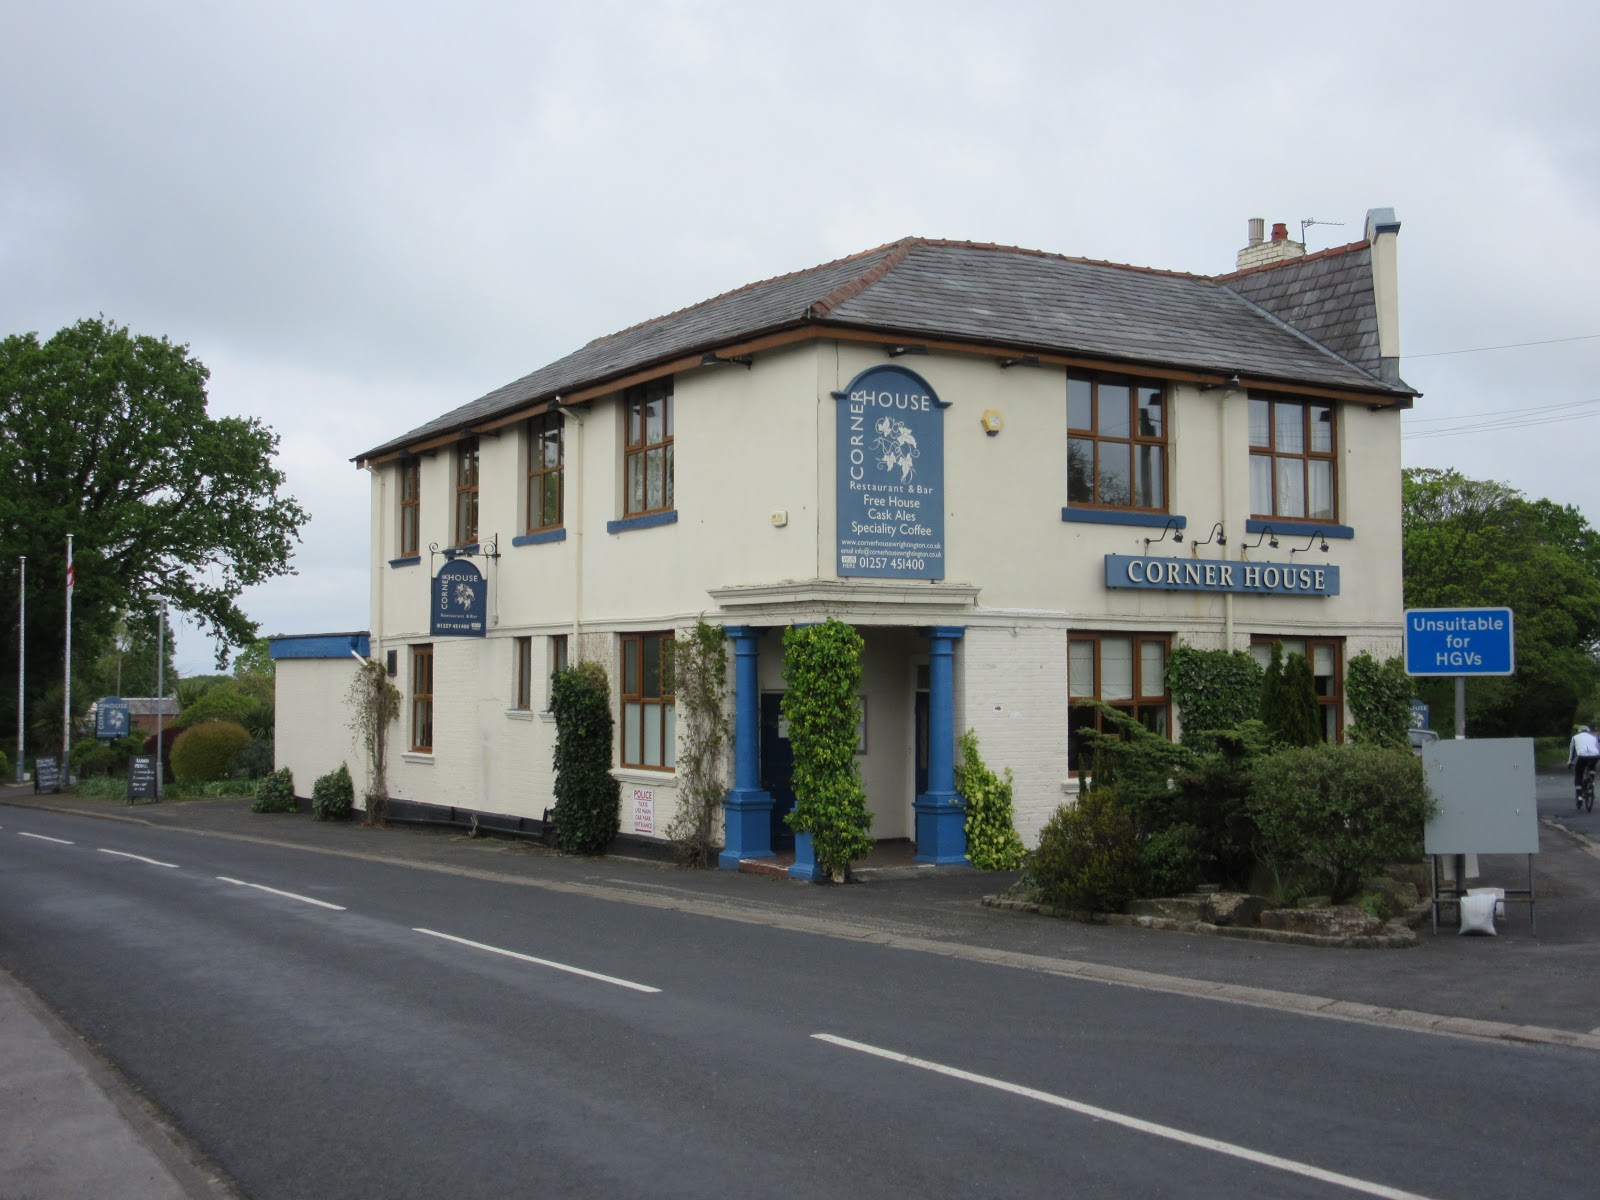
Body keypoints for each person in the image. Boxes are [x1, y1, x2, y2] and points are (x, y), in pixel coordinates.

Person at [1568, 725, 1600, 808]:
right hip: (1595, 755)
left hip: (1582, 756)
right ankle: (1590, 785)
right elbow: (1598, 747)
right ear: (1588, 731)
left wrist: (1570, 762)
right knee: (1592, 767)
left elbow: (1572, 751)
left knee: (1579, 773)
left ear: (1579, 732)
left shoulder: (1575, 737)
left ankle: (1579, 796)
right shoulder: (1594, 737)